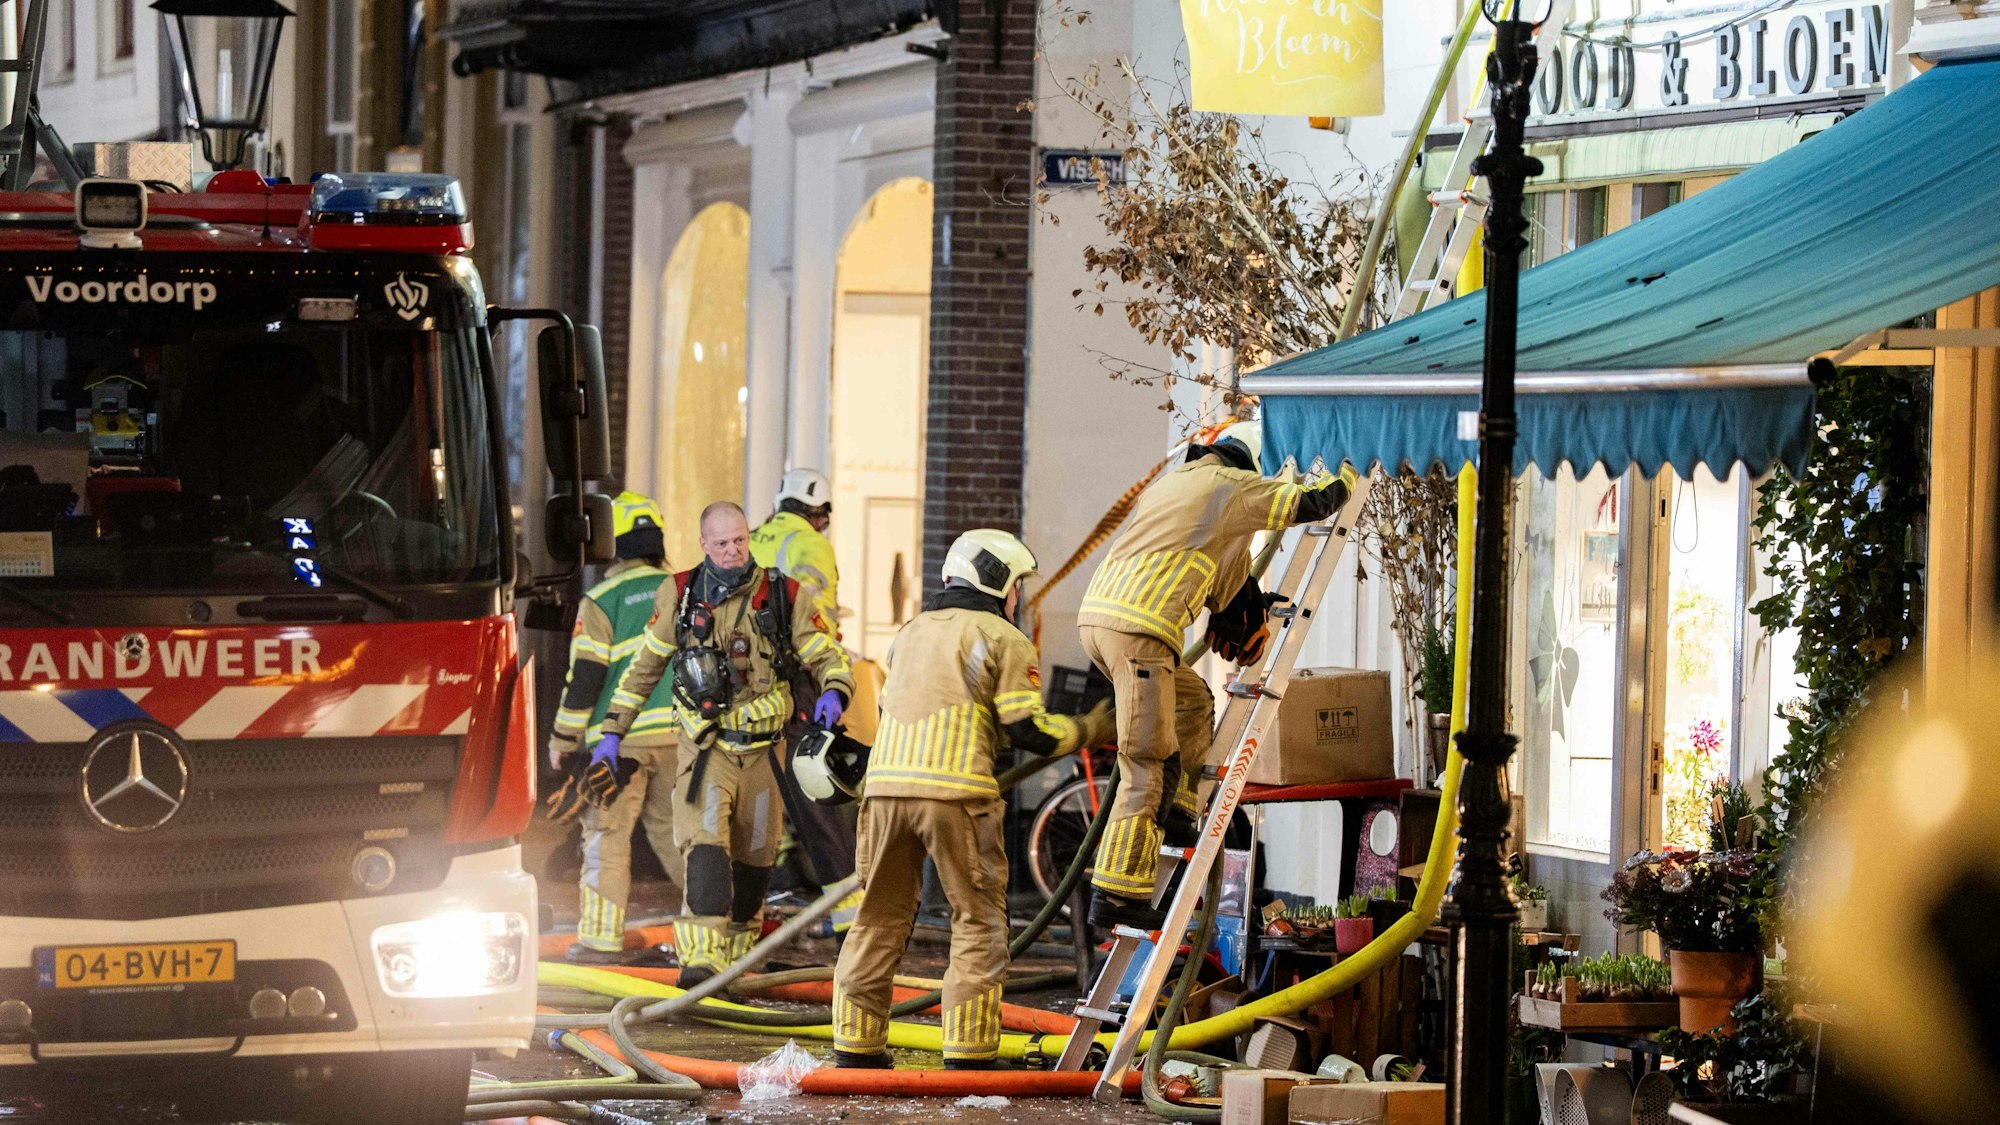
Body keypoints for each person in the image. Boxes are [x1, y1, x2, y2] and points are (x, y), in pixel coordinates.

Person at [830, 530, 1112, 1070]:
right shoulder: (1003, 638)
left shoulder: (909, 632)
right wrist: (1090, 728)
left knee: (877, 917)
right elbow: (1028, 729)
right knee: (977, 919)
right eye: (1016, 587)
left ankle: (856, 1045)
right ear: (999, 581)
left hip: (885, 792)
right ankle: (968, 1050)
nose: (1018, 600)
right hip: (956, 795)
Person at [1076, 420, 1355, 928]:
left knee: (1192, 699)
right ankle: (1116, 891)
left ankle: (1182, 812)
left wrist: (1253, 608)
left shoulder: (1182, 485)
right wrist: (1352, 469)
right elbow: (1311, 503)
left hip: (1103, 622)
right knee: (1147, 764)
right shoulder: (1231, 486)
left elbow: (1227, 583)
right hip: (1139, 631)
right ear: (1252, 464)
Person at [597, 500, 854, 986]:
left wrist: (837, 690)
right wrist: (612, 731)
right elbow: (646, 667)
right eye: (721, 543)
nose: (733, 551)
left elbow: (825, 653)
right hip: (706, 748)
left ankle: (735, 960)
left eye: (739, 541)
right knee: (706, 850)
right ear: (703, 545)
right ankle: (700, 962)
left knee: (756, 858)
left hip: (765, 752)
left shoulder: (784, 594)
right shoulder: (680, 593)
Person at [543, 491, 685, 964]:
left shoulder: (601, 599)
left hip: (616, 743)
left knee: (606, 836)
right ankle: (715, 938)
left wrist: (562, 740)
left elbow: (584, 678)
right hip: (679, 736)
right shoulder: (682, 589)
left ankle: (601, 941)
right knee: (679, 837)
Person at [751, 467, 864, 934]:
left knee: (760, 786)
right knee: (818, 791)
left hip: (753, 685)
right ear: (819, 511)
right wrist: (833, 678)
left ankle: (774, 883)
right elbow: (818, 620)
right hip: (800, 680)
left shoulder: (753, 538)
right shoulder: (812, 544)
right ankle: (848, 919)